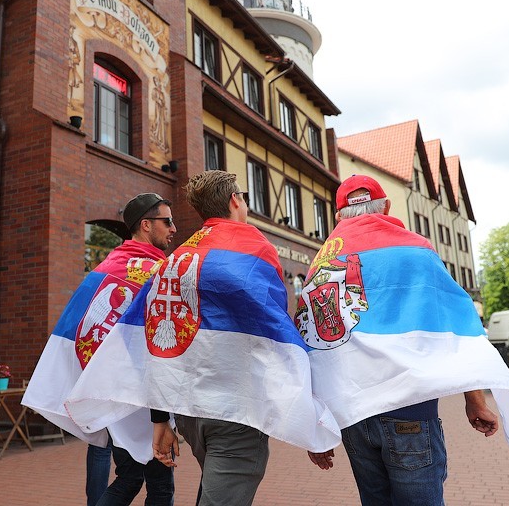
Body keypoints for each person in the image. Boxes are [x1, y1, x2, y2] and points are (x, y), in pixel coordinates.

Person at [67, 170, 340, 506]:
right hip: (235, 410)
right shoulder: (254, 248)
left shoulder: (177, 258)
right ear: (234, 200)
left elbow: (153, 341)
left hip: (191, 412)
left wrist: (159, 418)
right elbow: (275, 336)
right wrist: (309, 417)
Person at [298, 175, 509, 505]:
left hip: (353, 415)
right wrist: (474, 399)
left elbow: (314, 346)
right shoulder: (416, 251)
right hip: (410, 412)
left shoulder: (320, 265)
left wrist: (317, 426)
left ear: (338, 216)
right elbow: (452, 325)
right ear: (387, 206)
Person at [22, 193, 177, 506]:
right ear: (146, 225)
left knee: (130, 477)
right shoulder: (157, 272)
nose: (174, 228)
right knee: (160, 487)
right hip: (143, 395)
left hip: (112, 389)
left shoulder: (109, 265)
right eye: (167, 221)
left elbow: (80, 327)